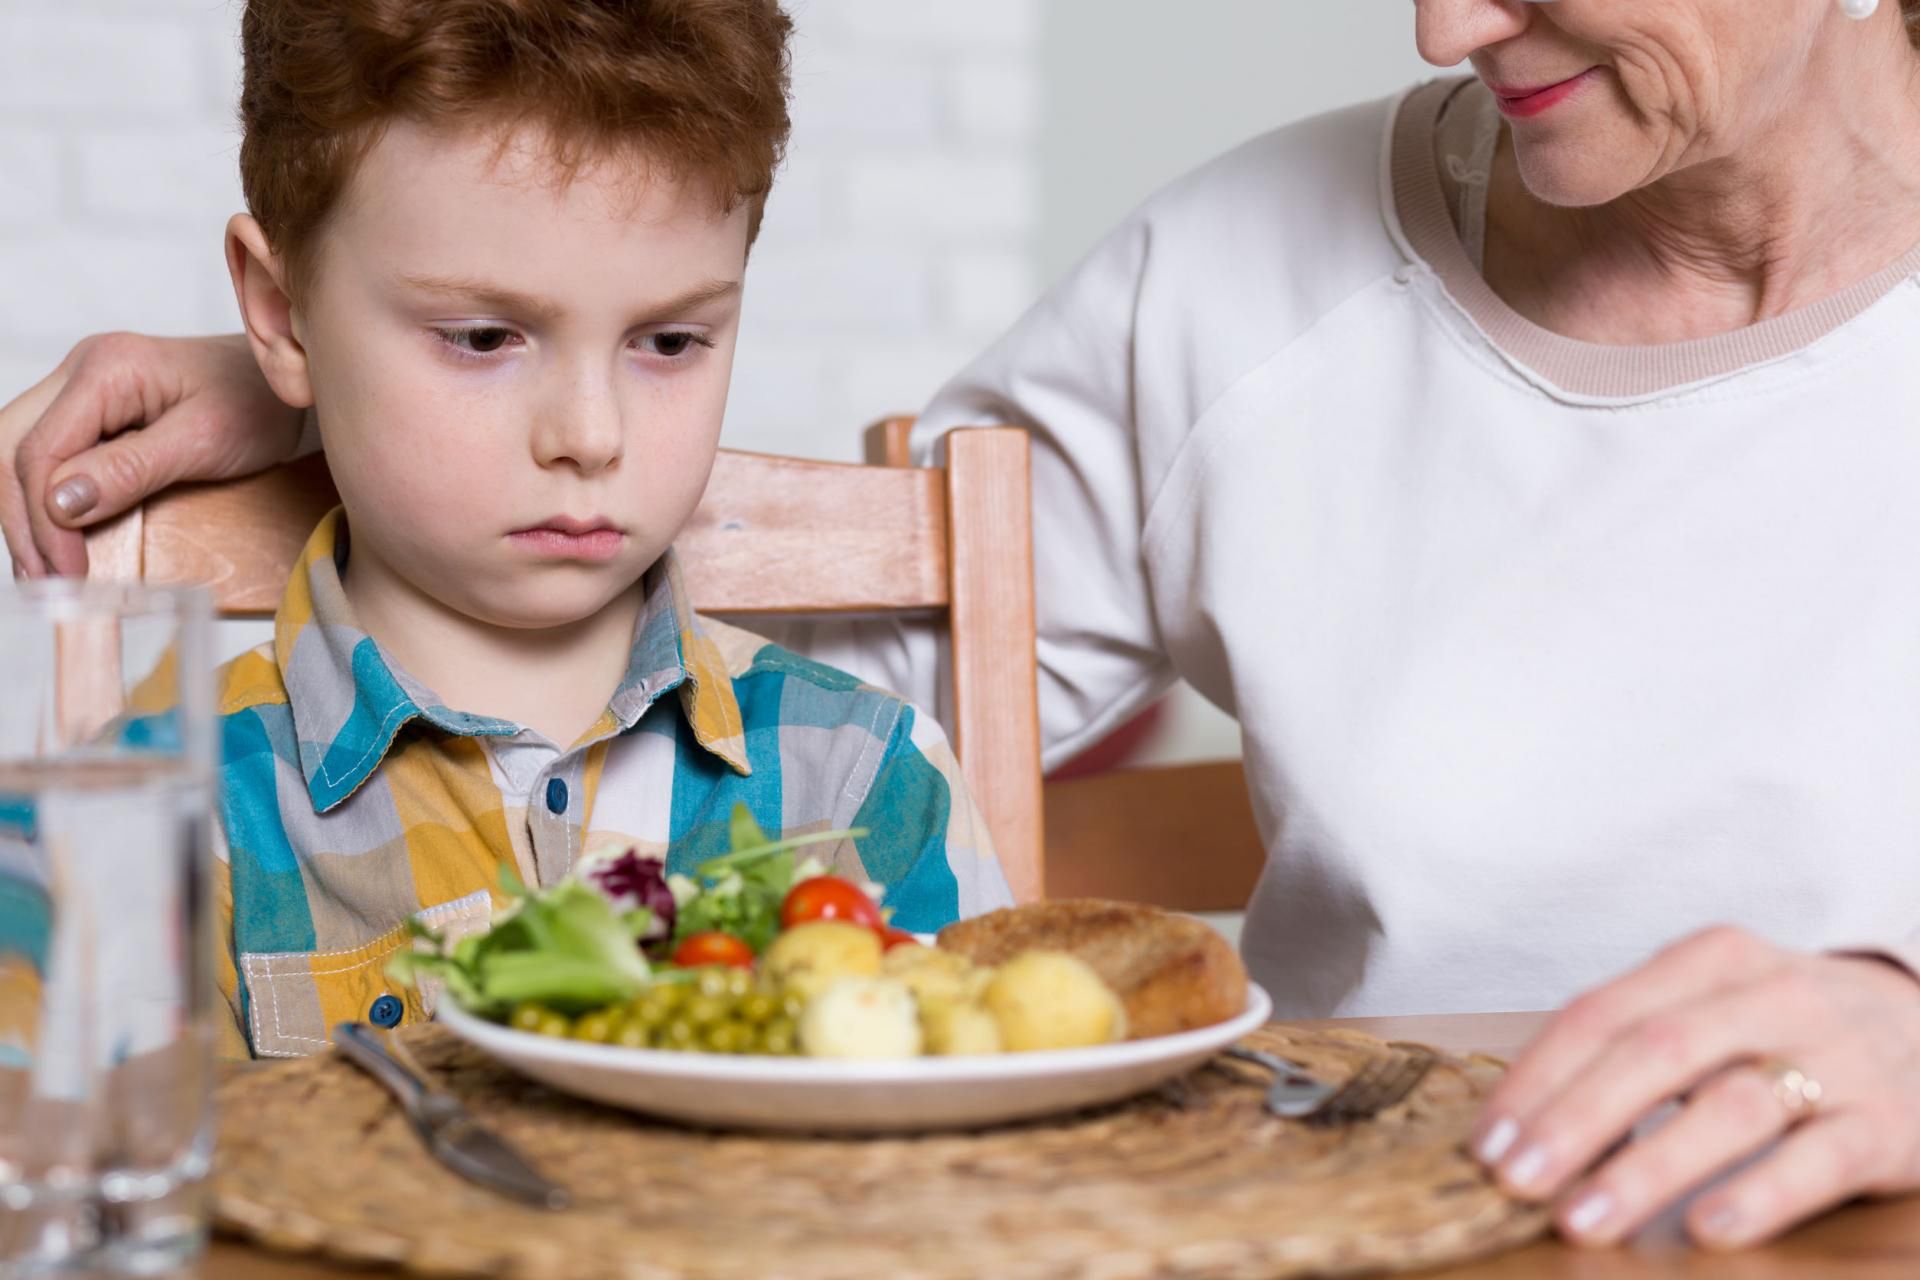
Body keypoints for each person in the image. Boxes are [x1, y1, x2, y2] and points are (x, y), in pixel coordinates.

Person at [4, 0, 1919, 1252]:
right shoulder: (1241, 285)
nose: (1440, 24)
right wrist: (352, 384)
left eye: (670, 338)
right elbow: (804, 679)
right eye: (486, 335)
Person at [79, 0, 1013, 1060]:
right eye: (483, 336)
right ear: (281, 311)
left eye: (668, 339)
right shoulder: (160, 812)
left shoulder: (864, 777)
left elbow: (986, 1176)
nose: (590, 434)